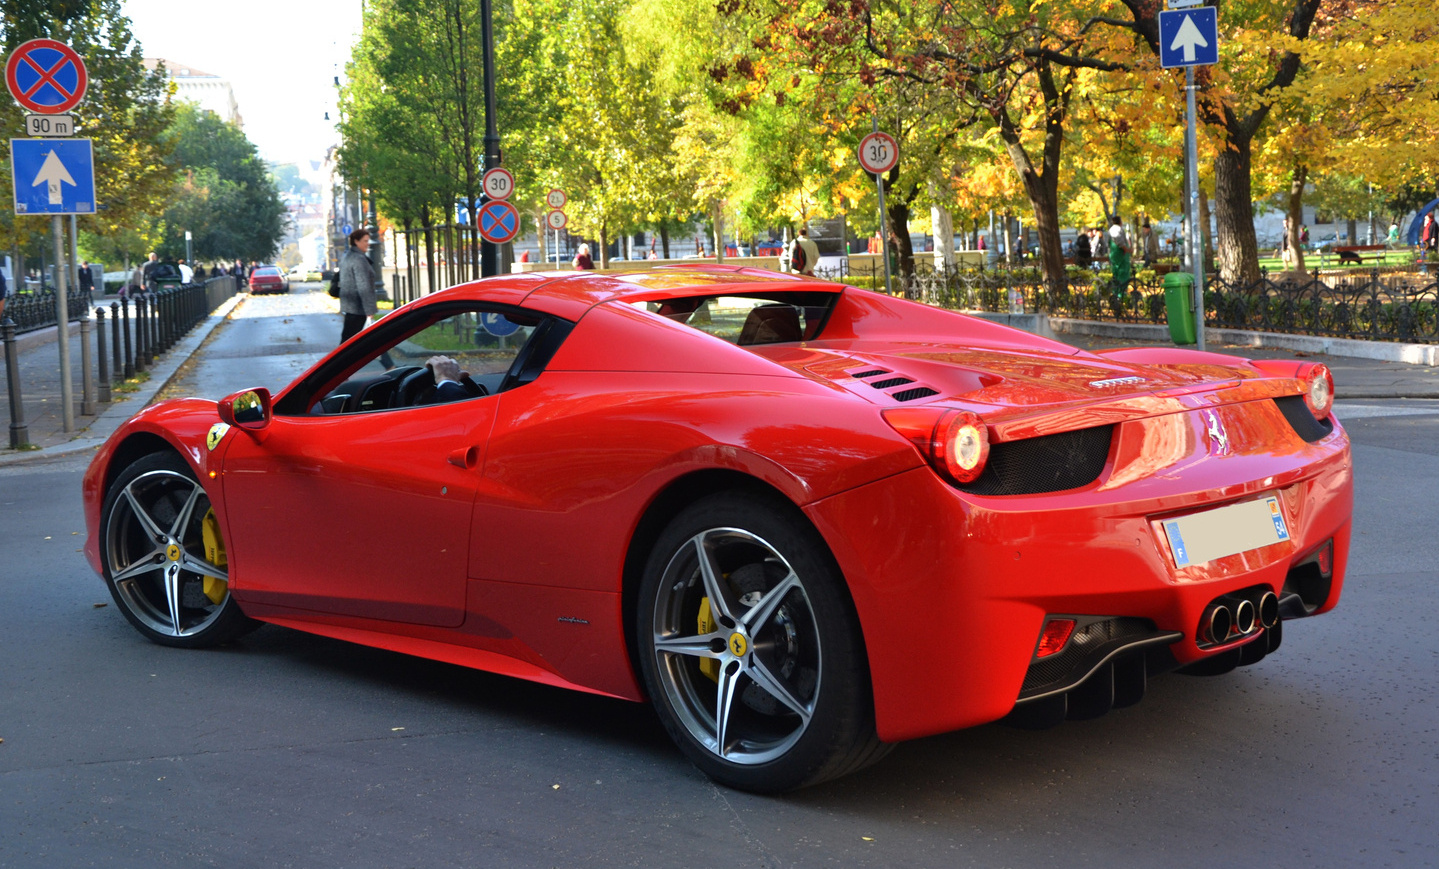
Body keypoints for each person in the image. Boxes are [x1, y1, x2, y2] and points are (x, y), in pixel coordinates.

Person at [339, 229, 392, 369]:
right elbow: (364, 286)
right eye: (365, 241)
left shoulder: (348, 256)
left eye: (368, 241)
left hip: (351, 305)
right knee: (364, 341)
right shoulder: (358, 259)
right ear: (356, 241)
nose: (368, 244)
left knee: (350, 343)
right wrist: (370, 309)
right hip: (359, 308)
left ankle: (389, 365)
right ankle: (334, 372)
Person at [1108, 216, 1132, 299]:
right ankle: (1121, 295)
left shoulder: (1113, 229)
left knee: (1117, 273)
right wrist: (1127, 249)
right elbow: (1120, 242)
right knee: (1122, 274)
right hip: (1120, 255)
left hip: (1117, 254)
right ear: (1120, 221)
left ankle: (1118, 293)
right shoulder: (1116, 229)